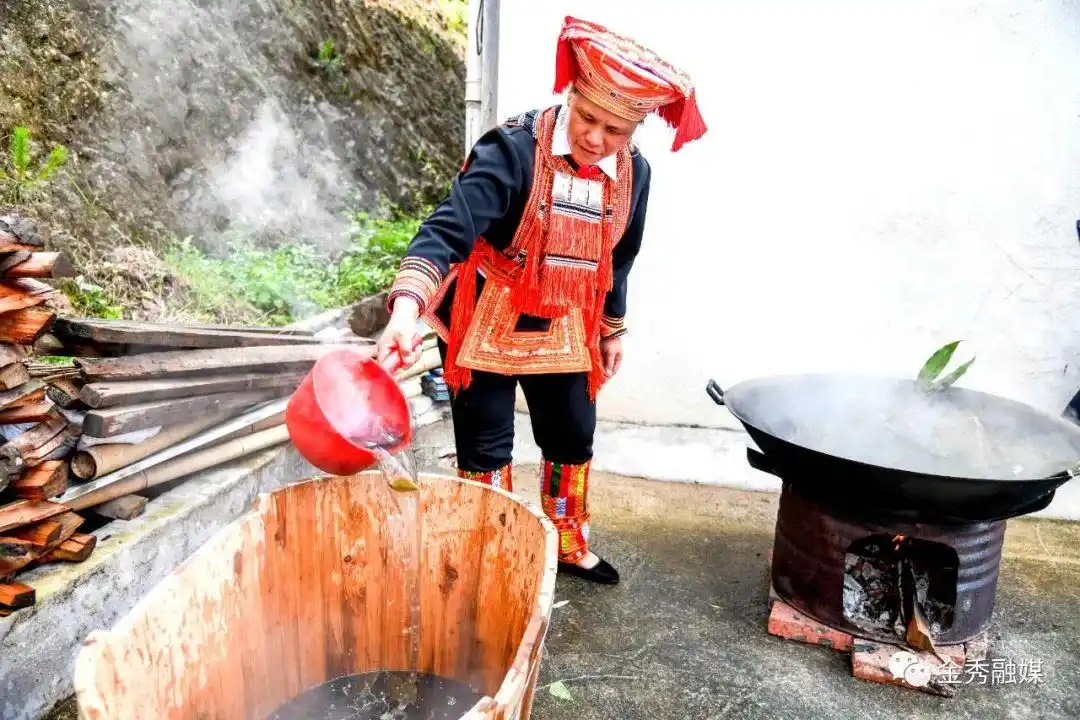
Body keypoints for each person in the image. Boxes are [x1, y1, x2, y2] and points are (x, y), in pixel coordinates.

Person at [376, 15, 707, 584]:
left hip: (566, 318)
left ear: (634, 133)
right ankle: (493, 555)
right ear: (571, 95)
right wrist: (407, 310)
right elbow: (448, 229)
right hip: (486, 311)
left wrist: (612, 328)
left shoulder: (635, 174)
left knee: (572, 432)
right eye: (587, 117)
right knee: (486, 445)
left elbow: (618, 256)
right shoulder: (512, 150)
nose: (596, 139)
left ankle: (566, 541)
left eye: (615, 130)